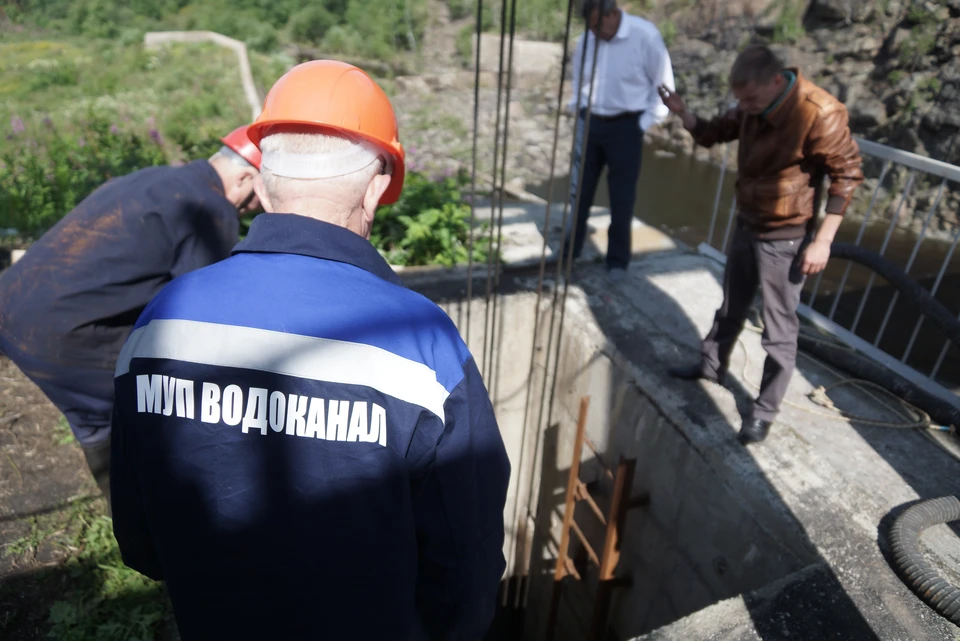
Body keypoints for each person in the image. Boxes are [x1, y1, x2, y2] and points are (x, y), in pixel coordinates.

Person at [110, 60, 511, 641]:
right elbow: (465, 568)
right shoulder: (422, 346)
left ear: (266, 184)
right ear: (376, 187)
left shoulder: (161, 321)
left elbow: (142, 536)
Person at [0, 125, 262, 503]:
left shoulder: (157, 178)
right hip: (61, 333)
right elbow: (205, 314)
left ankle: (132, 504)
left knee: (97, 417)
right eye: (255, 198)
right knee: (138, 411)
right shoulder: (211, 207)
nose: (252, 207)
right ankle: (149, 522)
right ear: (245, 175)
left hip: (14, 303)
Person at [658, 44, 864, 444]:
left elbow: (847, 177)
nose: (744, 106)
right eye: (739, 99)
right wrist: (683, 112)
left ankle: (763, 411)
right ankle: (710, 366)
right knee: (731, 304)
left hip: (786, 236)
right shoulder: (753, 105)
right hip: (748, 222)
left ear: (776, 80)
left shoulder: (819, 112)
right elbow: (714, 133)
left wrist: (822, 241)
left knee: (778, 329)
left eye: (750, 98)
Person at [564, 0, 675, 282]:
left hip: (626, 125)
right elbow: (579, 81)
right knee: (580, 192)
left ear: (614, 13)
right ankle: (570, 252)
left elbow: (663, 87)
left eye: (597, 25)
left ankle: (617, 261)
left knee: (622, 197)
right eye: (590, 27)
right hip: (590, 123)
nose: (594, 32)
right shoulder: (586, 39)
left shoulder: (645, 36)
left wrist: (641, 124)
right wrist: (578, 110)